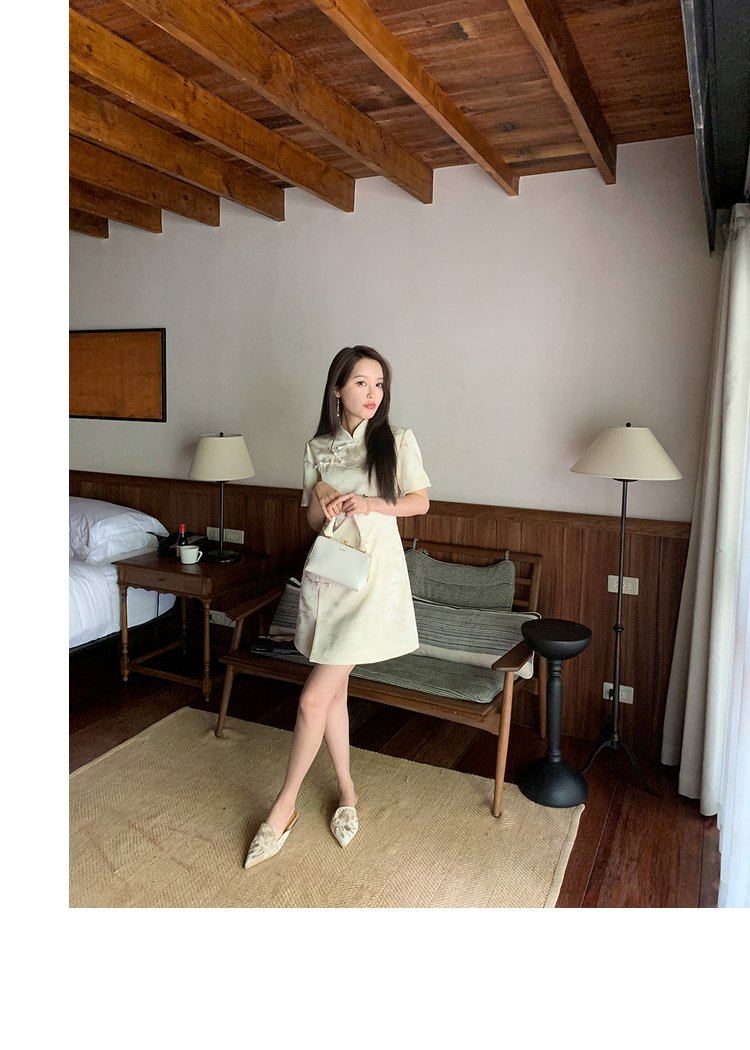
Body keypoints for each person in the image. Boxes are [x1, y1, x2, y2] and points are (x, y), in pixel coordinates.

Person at [244, 345, 431, 868]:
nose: (373, 394)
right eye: (361, 383)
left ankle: (283, 808)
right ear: (337, 388)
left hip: (373, 583)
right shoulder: (317, 448)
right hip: (330, 577)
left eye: (379, 384)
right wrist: (324, 496)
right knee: (333, 695)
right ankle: (347, 791)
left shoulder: (396, 440)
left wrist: (368, 504)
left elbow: (420, 502)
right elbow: (310, 519)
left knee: (311, 700)